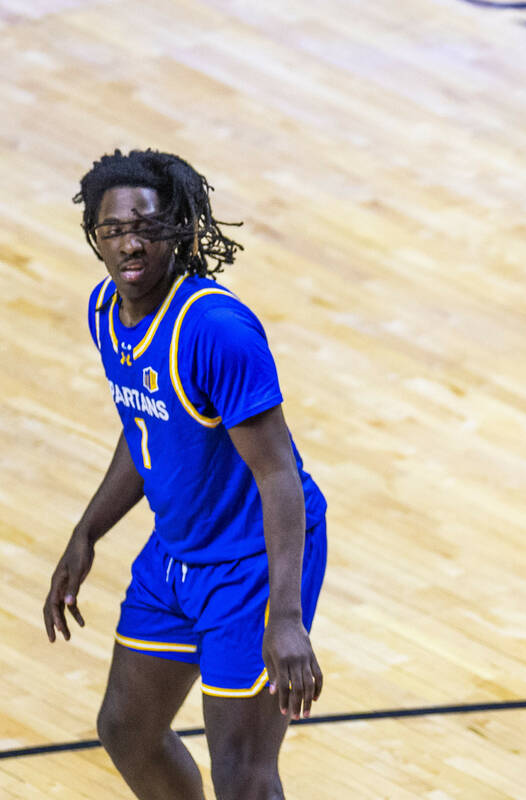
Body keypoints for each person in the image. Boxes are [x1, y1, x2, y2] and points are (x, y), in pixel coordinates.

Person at [43, 149, 328, 800]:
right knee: (127, 729)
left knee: (242, 772)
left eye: (146, 226)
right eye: (113, 230)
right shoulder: (105, 314)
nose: (131, 242)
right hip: (177, 554)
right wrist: (87, 532)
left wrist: (284, 618)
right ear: (95, 237)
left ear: (182, 232)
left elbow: (279, 474)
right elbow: (148, 428)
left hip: (252, 564)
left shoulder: (216, 330)